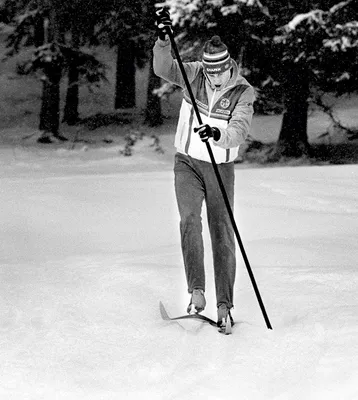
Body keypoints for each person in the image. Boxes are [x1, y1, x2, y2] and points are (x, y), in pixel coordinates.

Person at [154, 8, 255, 329]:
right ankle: (196, 291)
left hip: (219, 168)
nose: (212, 78)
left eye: (218, 73)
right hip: (186, 163)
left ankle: (225, 304)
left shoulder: (242, 91)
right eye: (209, 73)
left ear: (228, 67)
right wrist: (161, 40)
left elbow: (239, 130)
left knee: (221, 232)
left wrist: (217, 134)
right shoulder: (193, 74)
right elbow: (163, 68)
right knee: (188, 220)